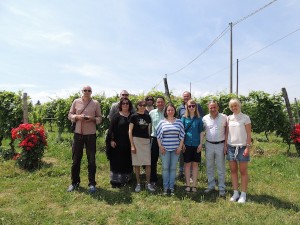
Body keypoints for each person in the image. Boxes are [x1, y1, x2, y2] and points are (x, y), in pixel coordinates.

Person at [67, 85, 102, 193]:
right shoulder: (76, 101)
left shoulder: (95, 103)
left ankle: (92, 184)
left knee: (91, 160)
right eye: (85, 90)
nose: (87, 92)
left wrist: (92, 119)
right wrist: (76, 117)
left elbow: (100, 118)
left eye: (89, 90)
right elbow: (70, 114)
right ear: (82, 91)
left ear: (91, 92)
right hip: (78, 135)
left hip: (90, 135)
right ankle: (74, 182)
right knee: (76, 160)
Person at [225, 98, 252, 203]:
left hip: (242, 147)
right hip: (231, 147)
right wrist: (225, 145)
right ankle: (236, 193)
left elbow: (249, 134)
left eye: (235, 105)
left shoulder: (245, 118)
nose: (234, 108)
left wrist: (247, 147)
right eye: (232, 106)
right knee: (233, 171)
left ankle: (243, 194)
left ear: (239, 105)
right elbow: (227, 133)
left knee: (243, 171)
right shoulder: (229, 118)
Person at [156, 103, 185, 195]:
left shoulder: (179, 122)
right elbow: (158, 136)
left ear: (174, 111)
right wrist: (160, 147)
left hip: (175, 149)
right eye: (168, 110)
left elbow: (182, 135)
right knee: (165, 168)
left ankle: (171, 187)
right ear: (166, 111)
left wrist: (180, 147)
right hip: (165, 149)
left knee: (173, 169)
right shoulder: (162, 122)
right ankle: (165, 187)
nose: (170, 111)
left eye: (172, 110)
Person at [105, 97, 133, 188]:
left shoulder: (132, 116)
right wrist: (112, 140)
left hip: (129, 143)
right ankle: (116, 181)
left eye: (127, 103)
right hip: (117, 143)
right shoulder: (116, 116)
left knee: (127, 161)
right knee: (117, 161)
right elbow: (111, 129)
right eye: (123, 103)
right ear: (120, 105)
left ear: (129, 105)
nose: (125, 105)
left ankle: (127, 180)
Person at [129, 100, 155, 192]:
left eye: (144, 105)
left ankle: (148, 184)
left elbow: (149, 130)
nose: (142, 106)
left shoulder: (148, 117)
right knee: (137, 163)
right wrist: (132, 145)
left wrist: (149, 141)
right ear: (137, 106)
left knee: (148, 163)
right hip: (136, 141)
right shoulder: (133, 116)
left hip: (146, 141)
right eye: (140, 105)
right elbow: (130, 131)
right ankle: (138, 183)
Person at [202, 100, 227, 197]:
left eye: (214, 107)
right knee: (209, 166)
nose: (213, 109)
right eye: (211, 107)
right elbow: (202, 132)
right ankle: (211, 186)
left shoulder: (224, 117)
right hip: (208, 144)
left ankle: (221, 188)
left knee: (221, 167)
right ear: (208, 108)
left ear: (218, 107)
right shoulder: (204, 118)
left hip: (220, 145)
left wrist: (226, 145)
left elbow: (227, 131)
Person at [177, 91, 204, 179]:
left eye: (187, 96)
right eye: (184, 96)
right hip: (184, 140)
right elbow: (179, 125)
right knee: (183, 157)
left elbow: (201, 123)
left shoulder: (198, 106)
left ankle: (191, 175)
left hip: (195, 140)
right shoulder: (180, 109)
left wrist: (201, 142)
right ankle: (182, 172)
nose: (186, 98)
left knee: (193, 160)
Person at [181, 100, 204, 193]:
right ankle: (187, 184)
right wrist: (182, 144)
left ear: (196, 107)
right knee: (187, 165)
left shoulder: (199, 119)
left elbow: (201, 132)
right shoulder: (183, 118)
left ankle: (194, 185)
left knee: (195, 165)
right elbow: (181, 132)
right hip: (186, 144)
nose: (191, 108)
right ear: (186, 107)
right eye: (189, 106)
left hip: (196, 144)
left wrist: (200, 143)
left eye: (193, 106)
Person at [149, 96, 165, 186]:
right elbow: (149, 126)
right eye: (158, 102)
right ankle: (153, 179)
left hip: (165, 139)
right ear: (155, 103)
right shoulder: (151, 113)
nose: (160, 103)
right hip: (154, 139)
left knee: (165, 160)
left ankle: (165, 179)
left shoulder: (167, 112)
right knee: (153, 160)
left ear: (164, 103)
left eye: (162, 102)